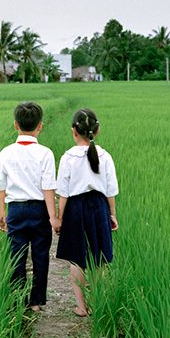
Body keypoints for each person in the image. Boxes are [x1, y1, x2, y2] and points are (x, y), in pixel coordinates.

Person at [0, 101, 60, 311]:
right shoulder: (45, 153)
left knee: (17, 256)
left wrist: (1, 215)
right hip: (39, 210)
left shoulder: (5, 152)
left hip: (15, 210)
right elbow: (48, 188)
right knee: (41, 255)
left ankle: (18, 300)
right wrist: (53, 218)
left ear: (15, 125)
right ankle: (37, 302)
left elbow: (0, 188)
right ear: (40, 126)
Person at [55, 108, 119, 317]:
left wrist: (59, 218)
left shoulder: (68, 157)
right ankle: (99, 302)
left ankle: (82, 307)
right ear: (97, 130)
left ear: (74, 131)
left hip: (75, 208)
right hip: (99, 207)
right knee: (99, 258)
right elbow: (110, 191)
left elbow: (63, 193)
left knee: (77, 259)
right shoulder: (105, 156)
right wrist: (112, 214)